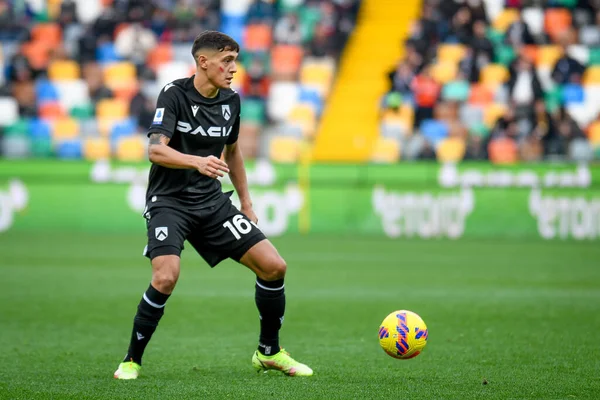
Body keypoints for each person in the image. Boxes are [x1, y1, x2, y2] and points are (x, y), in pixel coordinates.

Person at [113, 31, 313, 380]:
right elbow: (155, 150)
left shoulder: (231, 101)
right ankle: (131, 360)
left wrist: (247, 204)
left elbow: (233, 152)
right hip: (170, 203)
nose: (234, 68)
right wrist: (197, 162)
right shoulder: (173, 94)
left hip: (211, 203)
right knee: (165, 277)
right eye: (227, 61)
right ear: (203, 62)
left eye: (235, 60)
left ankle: (269, 352)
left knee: (274, 266)